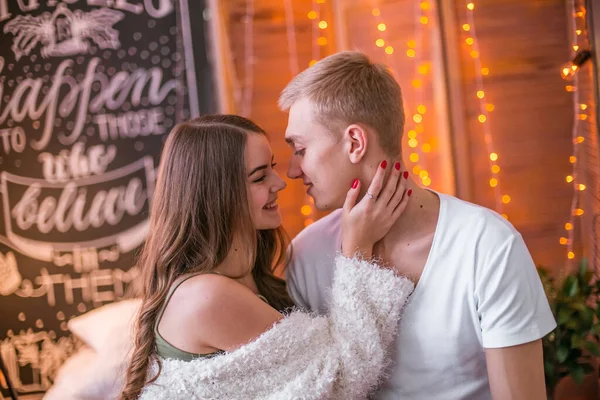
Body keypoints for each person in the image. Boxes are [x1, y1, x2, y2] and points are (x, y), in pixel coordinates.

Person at [280, 51, 556, 400]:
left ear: (354, 143)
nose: (291, 170)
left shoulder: (487, 245)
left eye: (300, 149)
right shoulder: (305, 256)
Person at [119, 114, 415, 400]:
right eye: (260, 177)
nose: (281, 182)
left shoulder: (244, 280)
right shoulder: (207, 297)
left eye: (272, 167)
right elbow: (341, 380)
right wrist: (357, 249)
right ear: (218, 194)